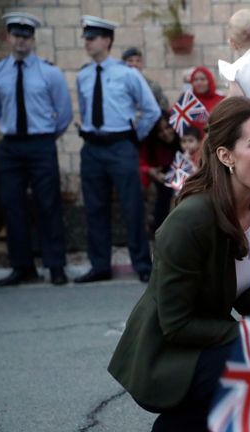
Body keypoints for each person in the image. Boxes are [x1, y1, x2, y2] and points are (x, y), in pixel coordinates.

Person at [108, 97, 250, 430]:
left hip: (212, 338)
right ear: (226, 155)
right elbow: (177, 324)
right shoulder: (189, 221)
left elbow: (241, 280)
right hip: (170, 353)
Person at [74, 15, 160, 283]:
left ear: (107, 40)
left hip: (121, 146)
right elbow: (86, 109)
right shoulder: (83, 75)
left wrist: (134, 138)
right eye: (86, 38)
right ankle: (100, 265)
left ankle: (142, 263)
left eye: (92, 38)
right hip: (92, 147)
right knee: (95, 207)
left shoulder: (127, 74)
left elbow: (151, 109)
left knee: (132, 205)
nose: (87, 42)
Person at [0, 12, 72, 286]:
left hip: (41, 144)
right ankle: (22, 266)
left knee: (48, 205)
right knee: (13, 206)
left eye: (26, 37)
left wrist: (47, 137)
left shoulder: (49, 73)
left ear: (32, 40)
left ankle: (55, 266)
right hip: (11, 146)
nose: (21, 42)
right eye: (16, 36)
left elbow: (63, 112)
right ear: (8, 37)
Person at [138, 112, 180, 234]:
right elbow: (141, 164)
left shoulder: (182, 139)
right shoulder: (151, 144)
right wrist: (150, 171)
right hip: (160, 179)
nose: (165, 133)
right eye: (160, 131)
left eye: (167, 128)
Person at [122, 46, 169, 111]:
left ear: (142, 64)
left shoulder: (153, 86)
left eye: (138, 61)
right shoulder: (118, 85)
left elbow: (163, 108)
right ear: (123, 64)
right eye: (130, 61)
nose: (135, 64)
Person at [187, 66, 224, 134]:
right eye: (195, 80)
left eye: (202, 79)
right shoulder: (187, 101)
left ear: (209, 81)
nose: (199, 83)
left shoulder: (221, 100)